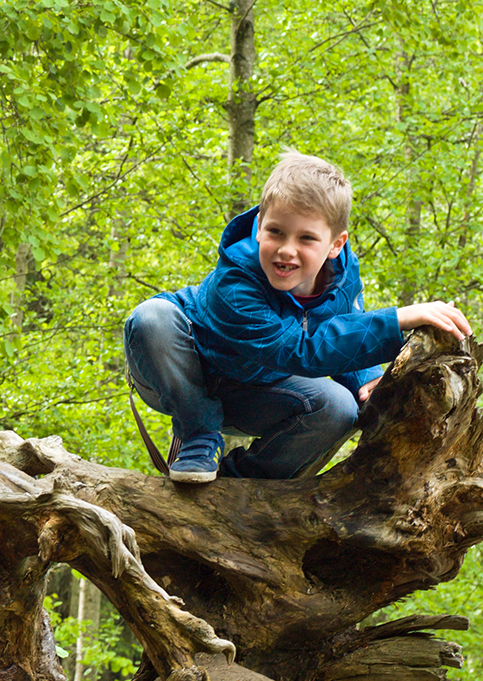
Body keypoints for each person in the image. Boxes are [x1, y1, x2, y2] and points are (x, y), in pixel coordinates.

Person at [123, 150, 470, 483]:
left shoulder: (342, 276)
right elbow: (297, 349)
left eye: (306, 238)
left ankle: (241, 484)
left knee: (338, 408)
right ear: (259, 226)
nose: (287, 249)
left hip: (252, 389)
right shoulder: (235, 283)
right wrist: (397, 320)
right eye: (276, 232)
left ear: (335, 244)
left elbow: (339, 328)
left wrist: (369, 386)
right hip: (178, 373)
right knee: (152, 317)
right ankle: (197, 432)